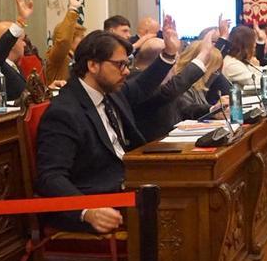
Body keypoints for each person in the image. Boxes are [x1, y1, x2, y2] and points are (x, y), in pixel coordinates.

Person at [34, 28, 178, 234]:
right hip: (102, 198)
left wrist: (168, 55)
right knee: (183, 203)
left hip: (130, 182)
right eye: (120, 65)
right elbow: (51, 176)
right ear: (92, 65)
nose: (127, 71)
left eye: (127, 64)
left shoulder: (111, 92)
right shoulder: (65, 112)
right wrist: (86, 210)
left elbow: (142, 86)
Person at [133, 20, 220, 142]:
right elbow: (168, 92)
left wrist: (213, 110)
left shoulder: (162, 83)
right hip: (152, 150)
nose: (176, 65)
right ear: (159, 64)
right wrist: (203, 54)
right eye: (173, 60)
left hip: (174, 142)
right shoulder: (137, 83)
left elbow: (185, 109)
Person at [177, 41, 228, 121]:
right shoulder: (179, 84)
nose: (214, 75)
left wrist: (218, 106)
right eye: (213, 70)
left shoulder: (197, 85)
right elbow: (187, 110)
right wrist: (212, 109)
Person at [44, 0, 85, 85]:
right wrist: (73, 9)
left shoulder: (77, 57)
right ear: (72, 37)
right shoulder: (57, 57)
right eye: (81, 37)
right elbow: (63, 41)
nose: (84, 40)